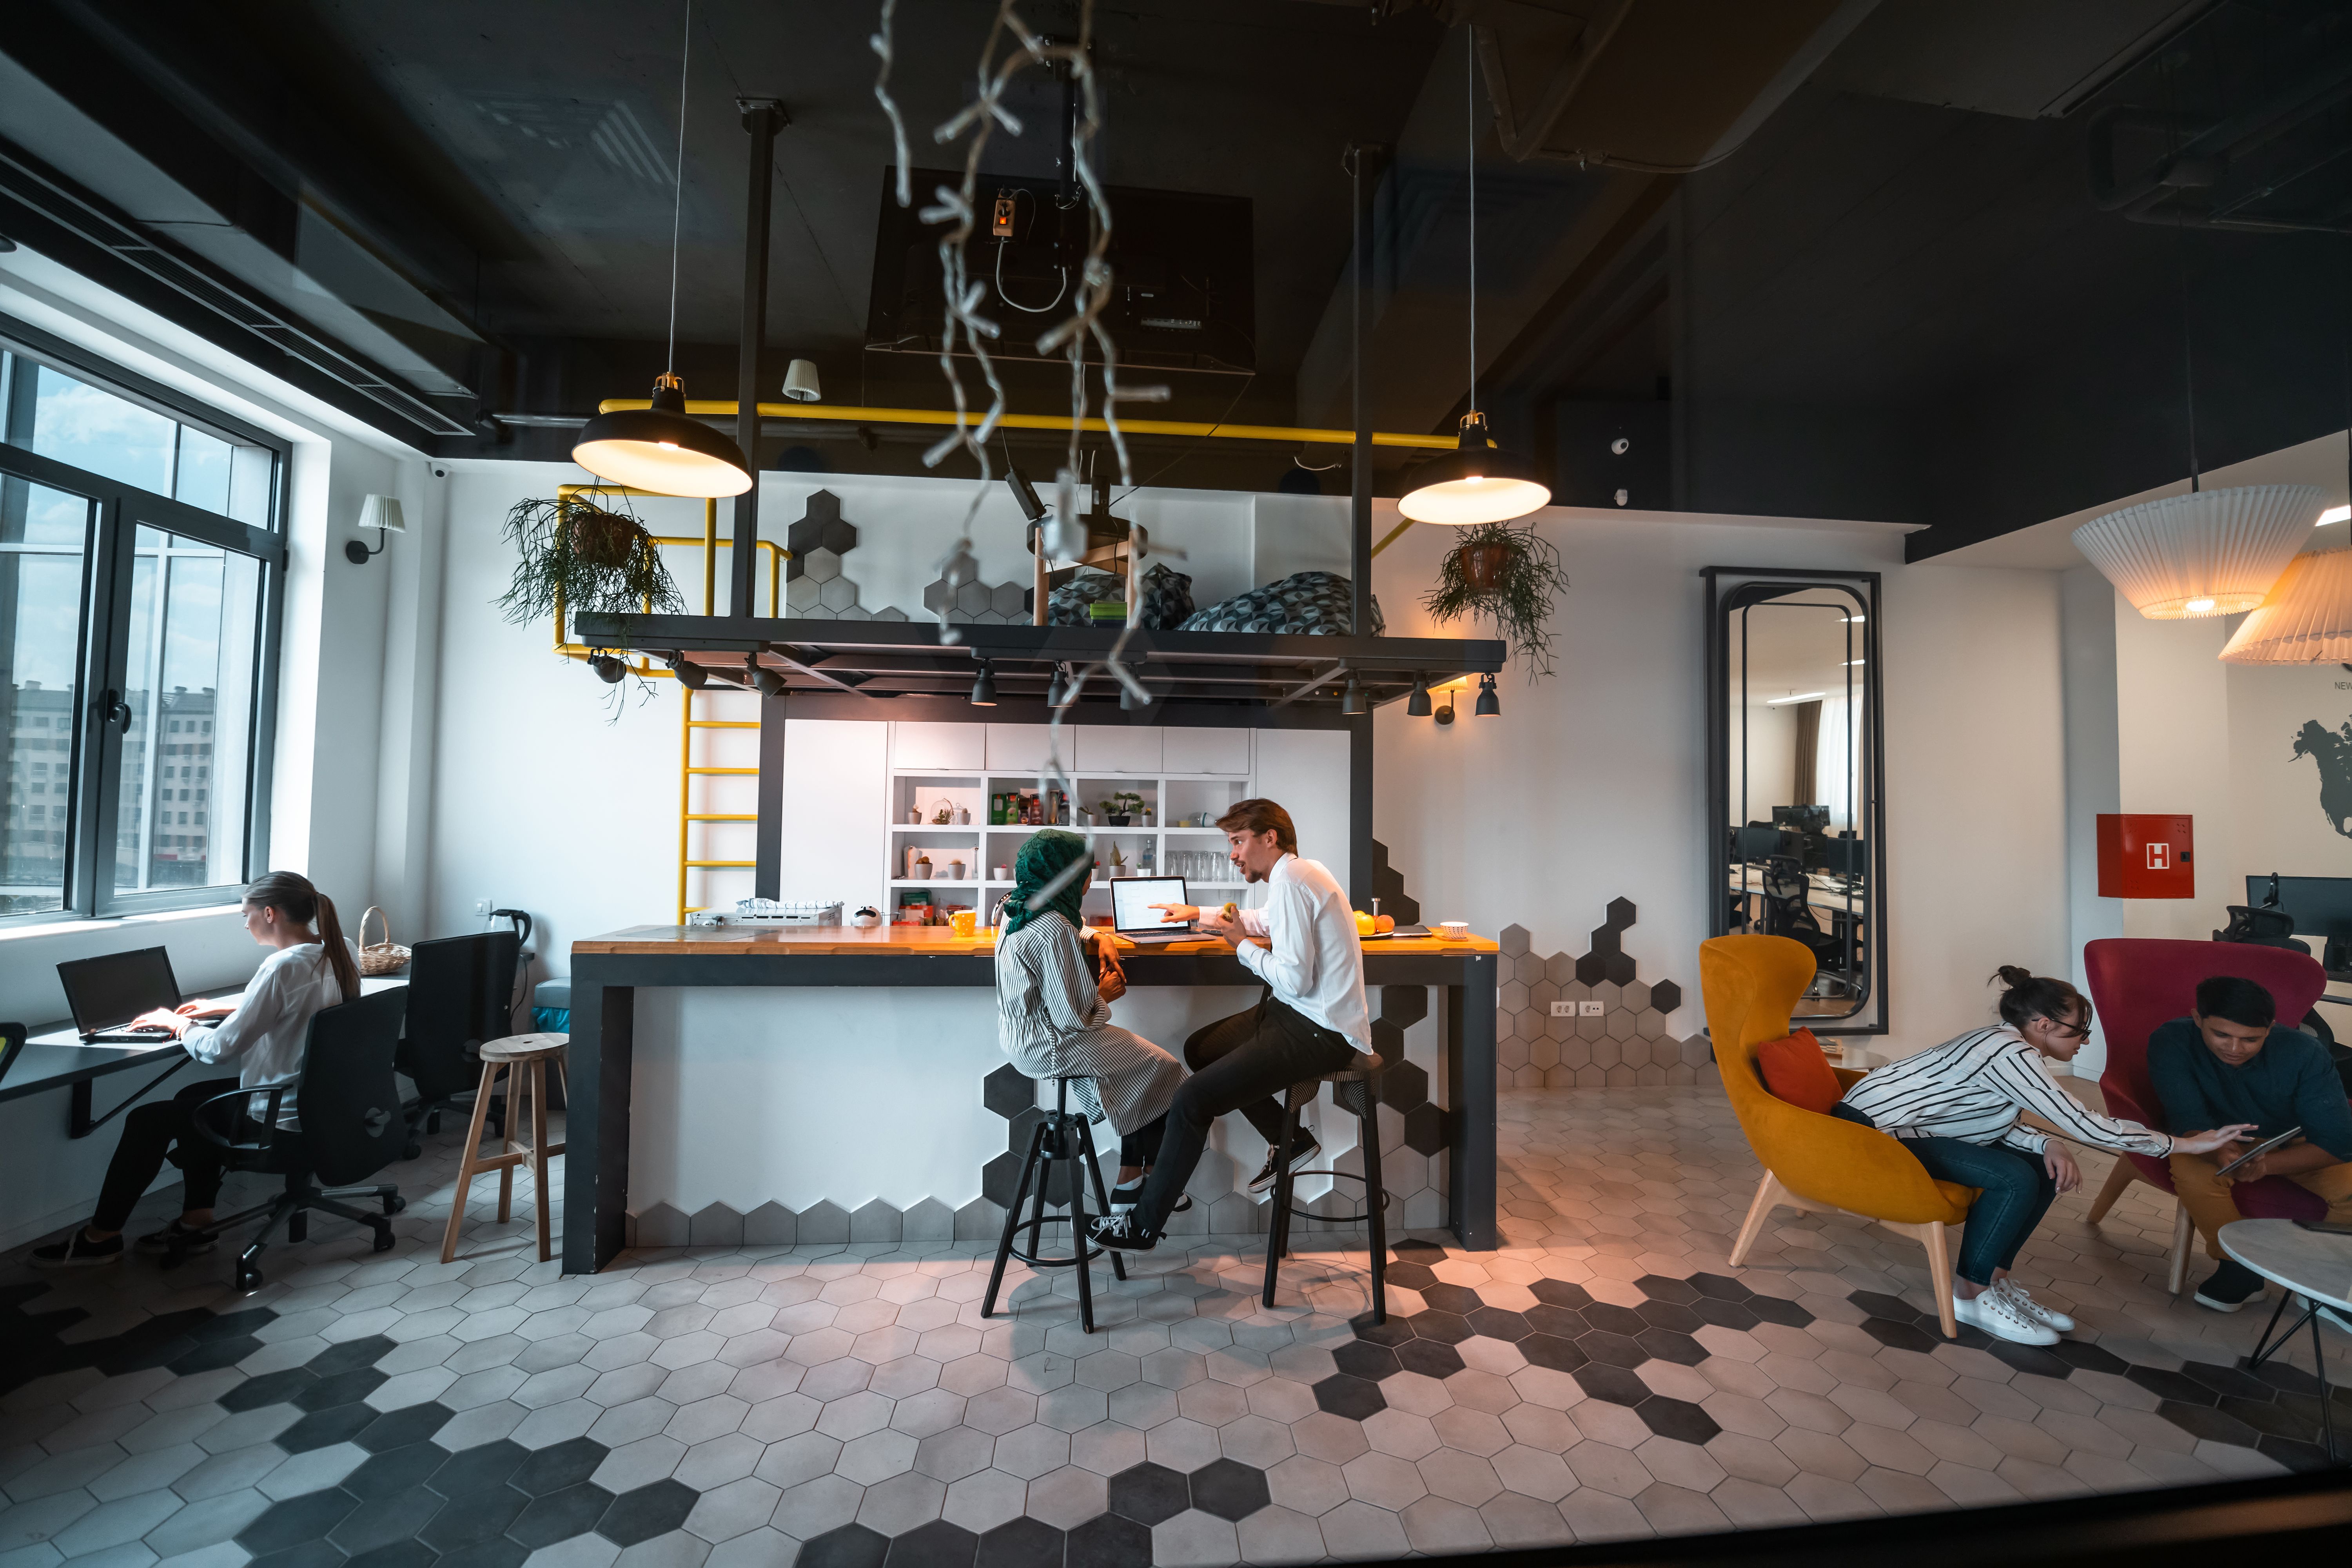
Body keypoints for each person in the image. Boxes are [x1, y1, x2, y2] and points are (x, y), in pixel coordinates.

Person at [1832, 965, 2252, 1345]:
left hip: (1912, 1127)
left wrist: (2048, 1144)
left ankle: (1993, 1280)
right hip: (1873, 1134)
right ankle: (1969, 1296)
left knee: (2042, 1170)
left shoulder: (2004, 1044)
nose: (2085, 1042)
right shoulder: (2010, 1054)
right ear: (2044, 1023)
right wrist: (2186, 1143)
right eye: (2078, 1032)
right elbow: (2086, 1124)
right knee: (2014, 1177)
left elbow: (1986, 1118)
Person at [33, 872, 362, 1269]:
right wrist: (230, 1008)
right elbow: (297, 999)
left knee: (146, 1119)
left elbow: (218, 1050)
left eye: (247, 913)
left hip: (282, 1118)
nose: (245, 923)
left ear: (270, 914)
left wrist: (178, 1024)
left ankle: (99, 1239)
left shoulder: (280, 967)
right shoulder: (338, 948)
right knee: (191, 1101)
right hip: (324, 1103)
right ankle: (196, 1221)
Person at [1090, 798, 1370, 1251]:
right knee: (1202, 1049)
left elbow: (1295, 976)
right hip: (1296, 1013)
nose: (1234, 854)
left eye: (1238, 841)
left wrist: (1241, 946)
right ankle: (1291, 1140)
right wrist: (1196, 914)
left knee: (1191, 1098)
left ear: (1269, 838)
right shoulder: (1296, 875)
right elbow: (1264, 921)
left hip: (1321, 1031)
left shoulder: (1295, 880)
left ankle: (1143, 1224)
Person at [994, 830, 1185, 1205]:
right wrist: (1105, 994)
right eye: (1086, 870)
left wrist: (1100, 938)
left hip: (1021, 1036)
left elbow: (1070, 926)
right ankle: (1153, 1181)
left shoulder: (1017, 906)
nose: (1090, 878)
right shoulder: (1054, 930)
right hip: (1053, 1042)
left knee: (1134, 1070)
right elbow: (1076, 1018)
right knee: (1167, 1070)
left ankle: (1131, 1183)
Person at [2150, 975, 2352, 1312]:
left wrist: (2267, 1165)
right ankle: (2237, 1267)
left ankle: (2324, 1277)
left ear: (2271, 1027)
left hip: (2295, 1144)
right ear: (2198, 1018)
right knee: (2191, 1172)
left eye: (2251, 1039)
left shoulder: (2306, 1053)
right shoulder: (2171, 1041)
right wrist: (2221, 1150)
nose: (2234, 1048)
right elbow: (2188, 1120)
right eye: (2221, 1034)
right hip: (2212, 1139)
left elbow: (2337, 1141)